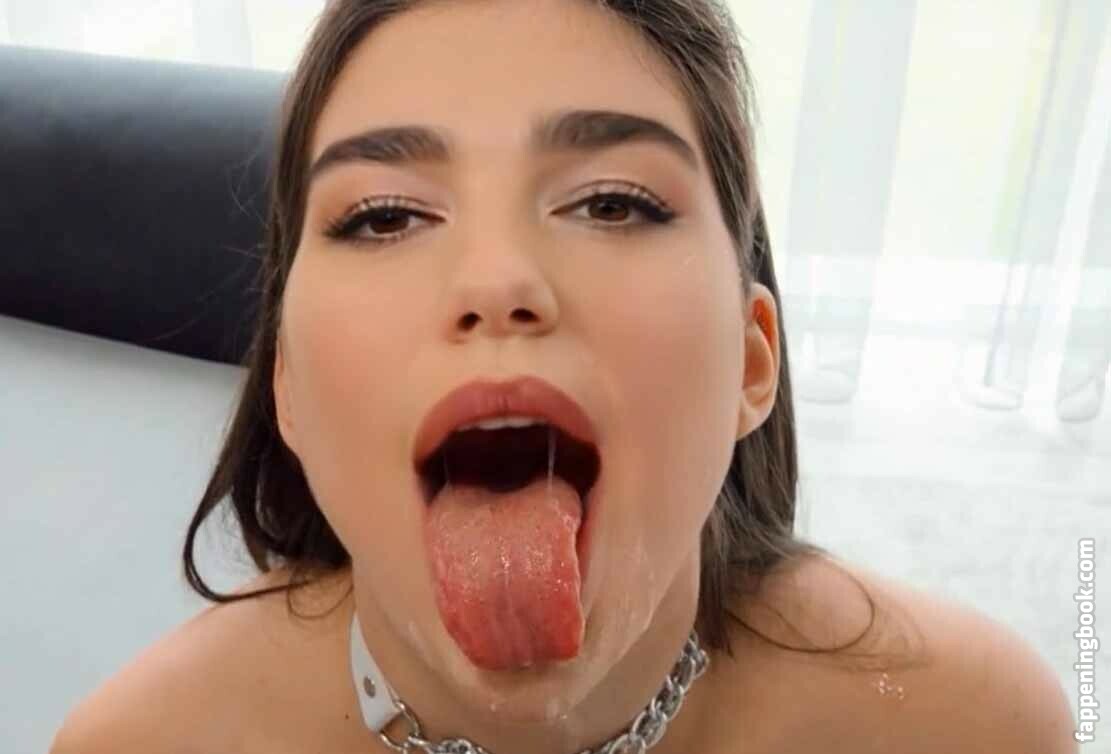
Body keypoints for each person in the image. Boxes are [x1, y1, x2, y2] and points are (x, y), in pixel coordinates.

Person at [52, 1, 1078, 752]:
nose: (498, 280)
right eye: (385, 215)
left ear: (751, 359)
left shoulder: (974, 725)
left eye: (613, 202)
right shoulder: (136, 743)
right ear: (288, 388)